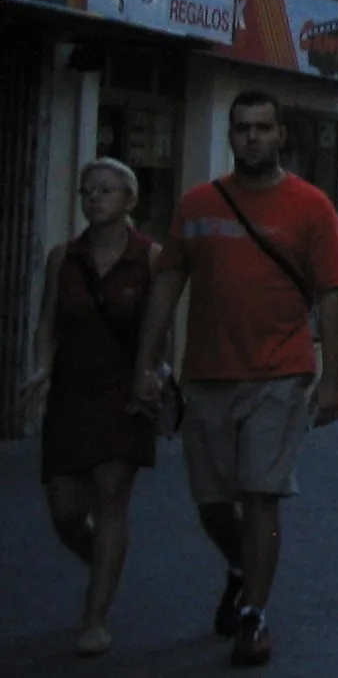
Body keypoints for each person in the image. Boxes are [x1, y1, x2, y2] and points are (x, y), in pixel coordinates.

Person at [133, 89, 338, 668]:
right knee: (211, 503)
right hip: (206, 375)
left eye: (262, 128)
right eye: (241, 128)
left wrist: (331, 379)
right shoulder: (198, 204)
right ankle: (240, 567)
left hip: (280, 374)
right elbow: (166, 288)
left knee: (261, 495)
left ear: (281, 135)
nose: (251, 137)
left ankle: (254, 615)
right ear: (230, 136)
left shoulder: (309, 207)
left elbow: (331, 295)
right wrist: (146, 366)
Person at [20, 158, 159, 657]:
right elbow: (45, 323)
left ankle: (95, 616)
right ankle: (104, 559)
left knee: (111, 496)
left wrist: (158, 377)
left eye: (105, 190)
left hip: (123, 395)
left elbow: (161, 327)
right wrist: (41, 368)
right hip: (71, 395)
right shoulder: (64, 257)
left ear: (129, 199)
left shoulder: (150, 258)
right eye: (86, 191)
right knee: (65, 510)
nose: (94, 198)